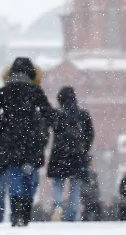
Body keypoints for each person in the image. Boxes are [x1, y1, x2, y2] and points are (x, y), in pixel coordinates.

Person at [0, 57, 53, 227]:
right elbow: (48, 113)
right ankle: (26, 211)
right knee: (30, 178)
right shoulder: (35, 91)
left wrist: (2, 127)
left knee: (15, 175)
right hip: (31, 141)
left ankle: (17, 215)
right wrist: (40, 125)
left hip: (10, 142)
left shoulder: (3, 91)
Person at [47, 86, 94, 222]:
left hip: (59, 154)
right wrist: (84, 149)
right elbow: (90, 134)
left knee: (58, 183)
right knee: (75, 186)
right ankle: (72, 214)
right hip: (78, 155)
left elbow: (49, 127)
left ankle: (58, 205)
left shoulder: (57, 114)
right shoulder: (83, 114)